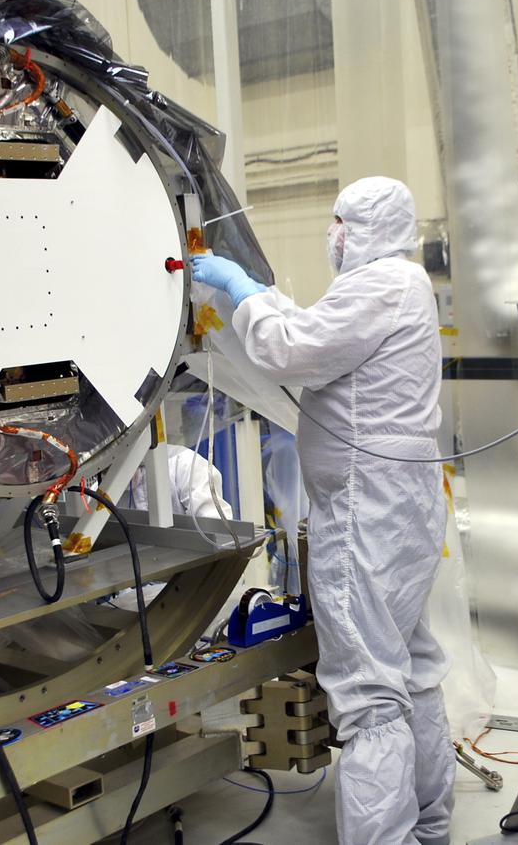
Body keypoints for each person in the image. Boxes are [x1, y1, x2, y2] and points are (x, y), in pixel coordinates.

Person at [192, 177, 454, 845]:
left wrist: (241, 293)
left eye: (339, 221)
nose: (332, 234)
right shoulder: (401, 282)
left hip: (367, 509)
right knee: (412, 668)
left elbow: (292, 349)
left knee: (368, 694)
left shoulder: (377, 288)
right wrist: (255, 291)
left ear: (364, 227)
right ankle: (430, 826)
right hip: (403, 505)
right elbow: (316, 329)